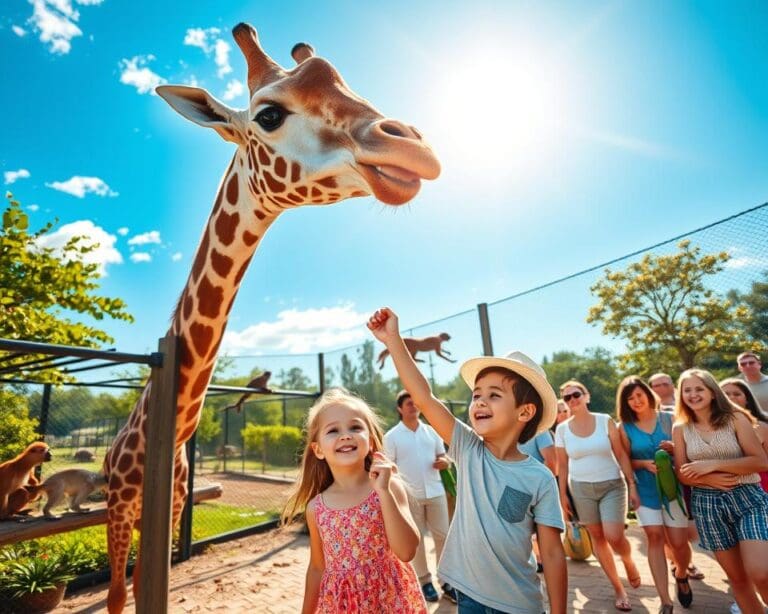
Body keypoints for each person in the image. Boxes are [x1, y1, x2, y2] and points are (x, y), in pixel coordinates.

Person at [368, 307, 567, 614]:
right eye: (476, 395)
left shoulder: (539, 478)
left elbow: (552, 553)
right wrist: (393, 340)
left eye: (494, 395)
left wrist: (559, 611)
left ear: (524, 412)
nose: (480, 401)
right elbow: (424, 397)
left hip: (520, 605)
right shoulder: (468, 447)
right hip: (470, 599)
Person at [282, 387, 426, 614]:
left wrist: (385, 493)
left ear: (370, 441)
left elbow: (407, 552)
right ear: (318, 449)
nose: (345, 435)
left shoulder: (387, 487)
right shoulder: (316, 509)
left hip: (390, 602)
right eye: (333, 430)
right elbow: (318, 568)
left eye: (355, 427)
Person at [672, 368, 768, 614]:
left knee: (761, 572)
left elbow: (760, 461)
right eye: (687, 390)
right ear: (681, 395)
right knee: (737, 580)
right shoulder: (680, 428)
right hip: (707, 505)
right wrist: (710, 481)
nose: (693, 394)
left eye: (699, 389)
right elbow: (682, 472)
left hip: (748, 498)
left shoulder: (735, 418)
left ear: (713, 393)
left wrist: (712, 465)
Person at [555, 379, 641, 612]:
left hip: (612, 485)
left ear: (587, 396)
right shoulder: (561, 430)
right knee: (598, 538)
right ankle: (618, 589)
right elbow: (562, 467)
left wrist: (632, 484)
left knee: (614, 536)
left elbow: (621, 455)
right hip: (581, 489)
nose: (572, 400)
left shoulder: (605, 421)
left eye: (576, 394)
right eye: (567, 397)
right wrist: (562, 497)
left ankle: (628, 560)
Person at [616, 376, 694, 613]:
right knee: (654, 538)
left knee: (679, 544)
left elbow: (689, 450)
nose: (636, 401)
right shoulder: (624, 427)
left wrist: (674, 449)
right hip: (645, 489)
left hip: (673, 489)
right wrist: (638, 476)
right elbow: (625, 460)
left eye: (639, 395)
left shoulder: (670, 419)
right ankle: (665, 601)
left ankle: (681, 574)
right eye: (630, 398)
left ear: (648, 394)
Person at [384, 390, 457, 603]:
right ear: (400, 408)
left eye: (415, 402)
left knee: (443, 535)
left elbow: (443, 456)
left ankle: (446, 581)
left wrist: (445, 462)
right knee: (417, 542)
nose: (413, 406)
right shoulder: (391, 437)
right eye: (408, 403)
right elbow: (389, 468)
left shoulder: (432, 432)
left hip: (436, 492)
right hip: (409, 497)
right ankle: (425, 582)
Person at [720, 377, 768, 492]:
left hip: (760, 488)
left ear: (747, 399)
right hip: (723, 489)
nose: (731, 398)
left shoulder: (761, 427)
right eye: (725, 394)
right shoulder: (703, 429)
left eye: (737, 394)